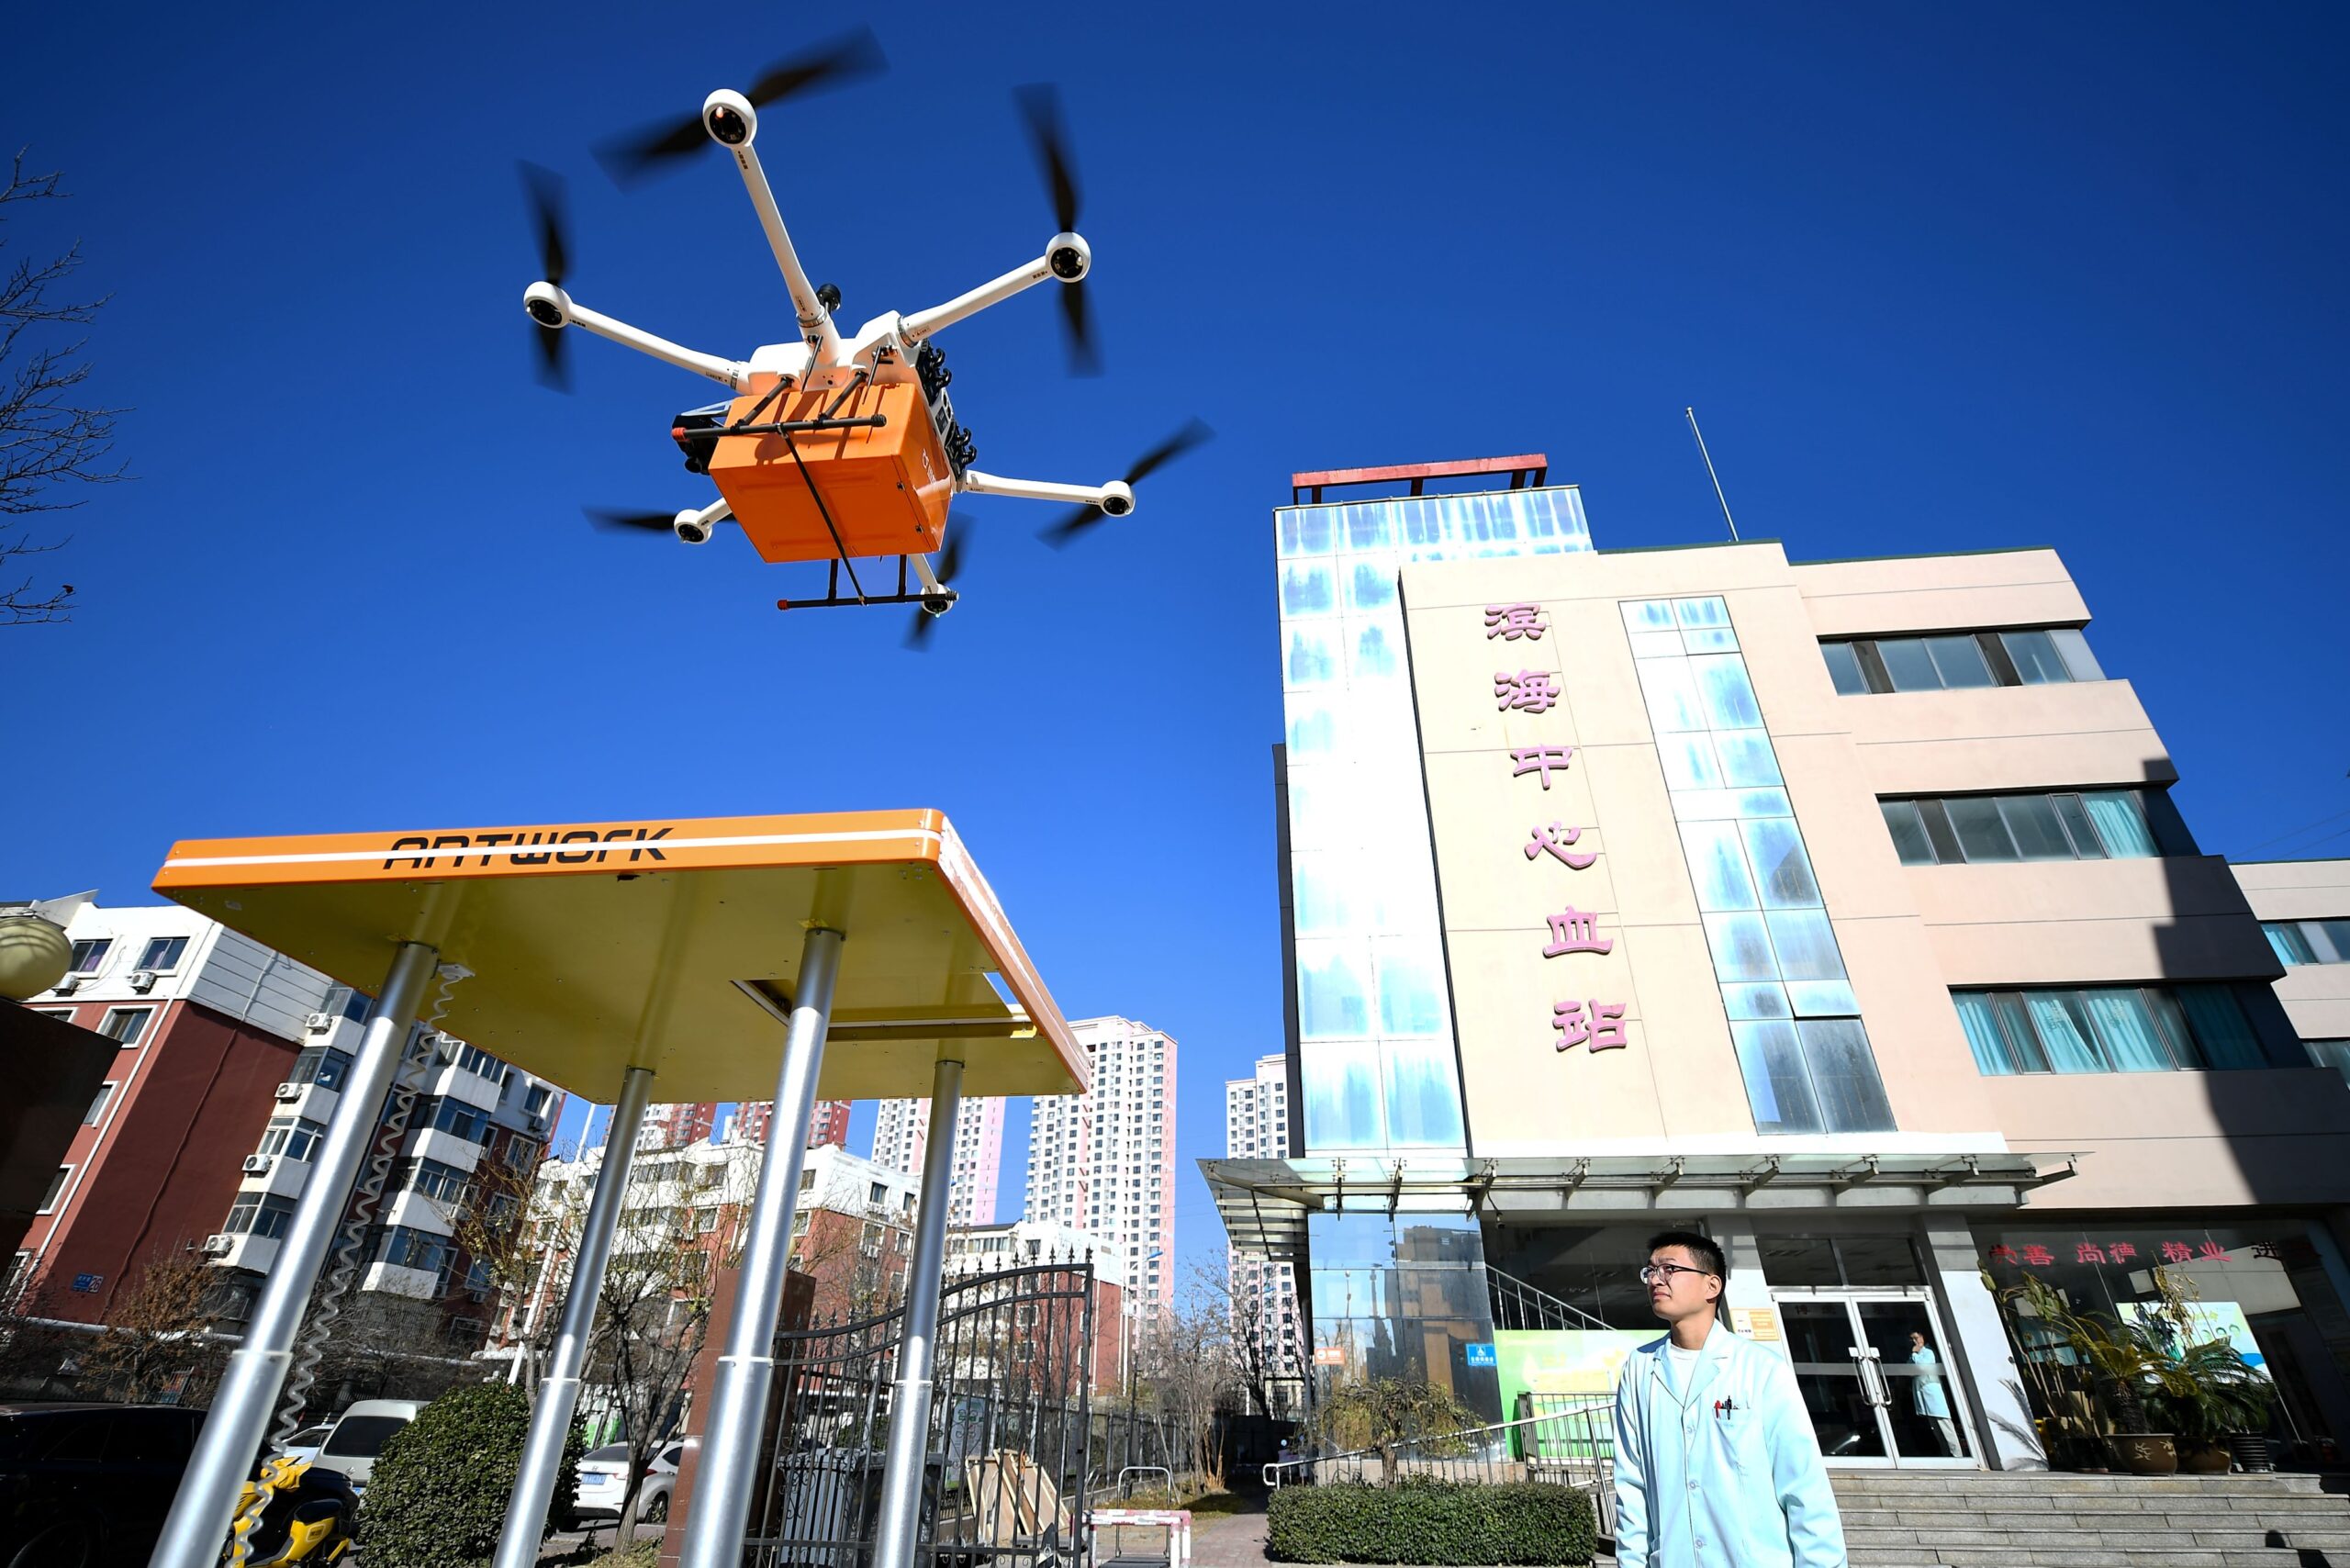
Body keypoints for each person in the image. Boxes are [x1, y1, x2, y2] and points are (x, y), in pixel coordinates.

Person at [1611, 1231, 1846, 1568]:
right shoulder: (1639, 1368)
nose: (1655, 1279)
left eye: (1669, 1269)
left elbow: (1803, 1486)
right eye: (1650, 1271)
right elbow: (1632, 1484)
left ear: (1712, 1286)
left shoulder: (1761, 1369)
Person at [1909, 1331, 1963, 1457]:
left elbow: (1921, 1367)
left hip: (1932, 1393)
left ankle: (1958, 1456)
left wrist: (1914, 1353)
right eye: (1911, 1339)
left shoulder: (1928, 1352)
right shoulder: (1916, 1355)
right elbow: (1910, 1369)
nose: (1914, 1342)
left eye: (1916, 1338)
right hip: (1924, 1394)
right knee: (1936, 1429)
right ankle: (1946, 1455)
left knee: (1945, 1426)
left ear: (1923, 1337)